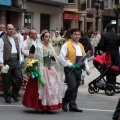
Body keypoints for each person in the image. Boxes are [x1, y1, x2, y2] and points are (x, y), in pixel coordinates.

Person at [22, 31, 62, 112]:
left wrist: (54, 58)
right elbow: (37, 60)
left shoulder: (50, 47)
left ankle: (48, 104)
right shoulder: (39, 47)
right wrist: (38, 72)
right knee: (43, 87)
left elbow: (54, 59)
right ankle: (40, 105)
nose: (48, 38)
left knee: (52, 87)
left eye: (49, 37)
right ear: (42, 38)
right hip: (42, 68)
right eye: (46, 37)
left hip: (50, 68)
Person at [59, 28, 90, 112]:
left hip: (79, 69)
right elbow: (61, 58)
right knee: (71, 86)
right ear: (71, 35)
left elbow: (84, 58)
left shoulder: (80, 45)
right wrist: (70, 64)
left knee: (75, 87)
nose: (77, 36)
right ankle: (65, 101)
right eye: (75, 34)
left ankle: (72, 105)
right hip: (70, 69)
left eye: (78, 34)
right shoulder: (66, 45)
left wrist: (87, 68)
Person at [0, 24, 22, 103]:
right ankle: (7, 97)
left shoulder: (16, 38)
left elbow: (19, 49)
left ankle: (15, 94)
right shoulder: (2, 38)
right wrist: (1, 62)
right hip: (7, 61)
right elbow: (0, 50)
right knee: (6, 80)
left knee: (19, 77)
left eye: (12, 29)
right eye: (9, 29)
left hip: (16, 60)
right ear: (6, 29)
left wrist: (20, 60)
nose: (11, 30)